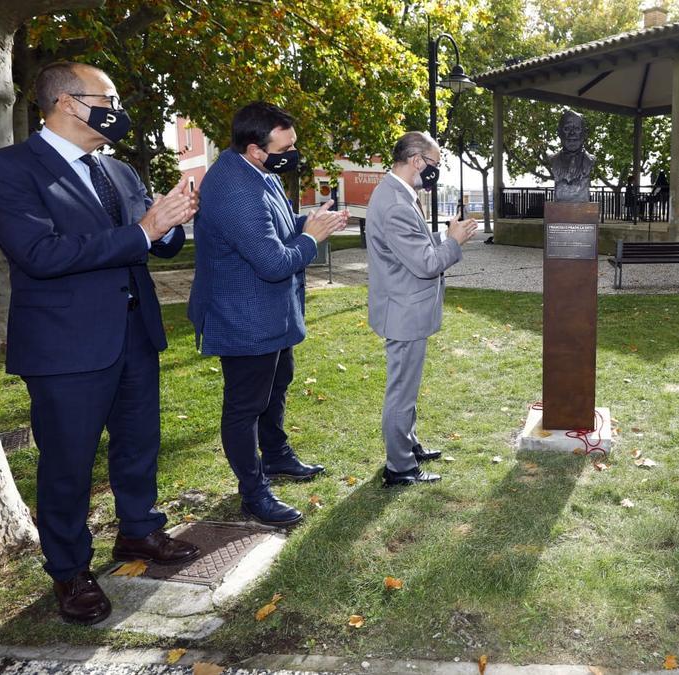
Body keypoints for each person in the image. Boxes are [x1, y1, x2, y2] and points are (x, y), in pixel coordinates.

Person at [0, 61, 200, 625]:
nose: (117, 109)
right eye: (109, 98)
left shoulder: (118, 170)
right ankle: (70, 570)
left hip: (133, 332)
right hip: (64, 345)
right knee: (68, 464)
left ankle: (139, 531)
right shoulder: (7, 169)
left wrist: (168, 223)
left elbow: (156, 243)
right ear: (68, 103)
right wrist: (143, 231)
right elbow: (41, 254)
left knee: (138, 442)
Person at [188, 102, 348, 527]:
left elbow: (273, 228)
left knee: (276, 388)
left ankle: (276, 456)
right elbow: (273, 261)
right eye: (287, 145)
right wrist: (312, 239)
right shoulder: (233, 187)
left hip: (272, 314)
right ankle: (253, 491)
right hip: (243, 319)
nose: (294, 152)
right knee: (245, 406)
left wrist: (311, 222)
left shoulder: (262, 174)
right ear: (256, 148)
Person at [367, 131, 478, 486]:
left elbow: (412, 249)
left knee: (407, 388)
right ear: (417, 161)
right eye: (435, 163)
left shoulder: (398, 193)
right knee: (401, 392)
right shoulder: (397, 203)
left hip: (404, 307)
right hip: (403, 311)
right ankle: (400, 467)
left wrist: (444, 235)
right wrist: (453, 241)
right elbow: (427, 264)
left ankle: (408, 444)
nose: (436, 171)